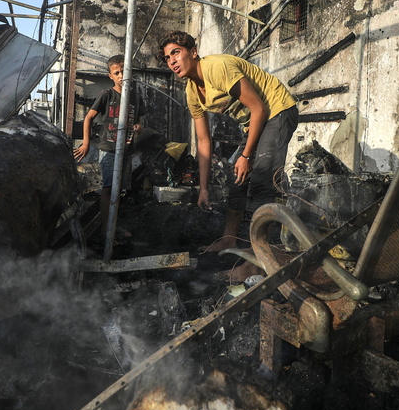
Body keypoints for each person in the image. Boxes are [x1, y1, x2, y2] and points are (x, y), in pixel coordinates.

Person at [158, 30, 299, 265]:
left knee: (262, 182)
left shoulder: (217, 67)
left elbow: (259, 109)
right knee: (237, 180)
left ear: (193, 52)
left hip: (277, 110)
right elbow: (203, 142)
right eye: (167, 58)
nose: (172, 61)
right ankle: (229, 239)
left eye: (176, 53)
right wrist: (203, 188)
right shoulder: (192, 91)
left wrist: (246, 155)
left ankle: (261, 260)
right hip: (256, 121)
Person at [74, 54, 145, 235]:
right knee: (108, 189)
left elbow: (140, 124)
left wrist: (138, 127)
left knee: (119, 191)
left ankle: (112, 225)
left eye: (124, 71)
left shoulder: (136, 98)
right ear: (111, 76)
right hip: (109, 148)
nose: (121, 75)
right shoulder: (107, 95)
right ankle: (106, 230)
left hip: (127, 150)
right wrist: (86, 144)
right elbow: (88, 118)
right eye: (117, 72)